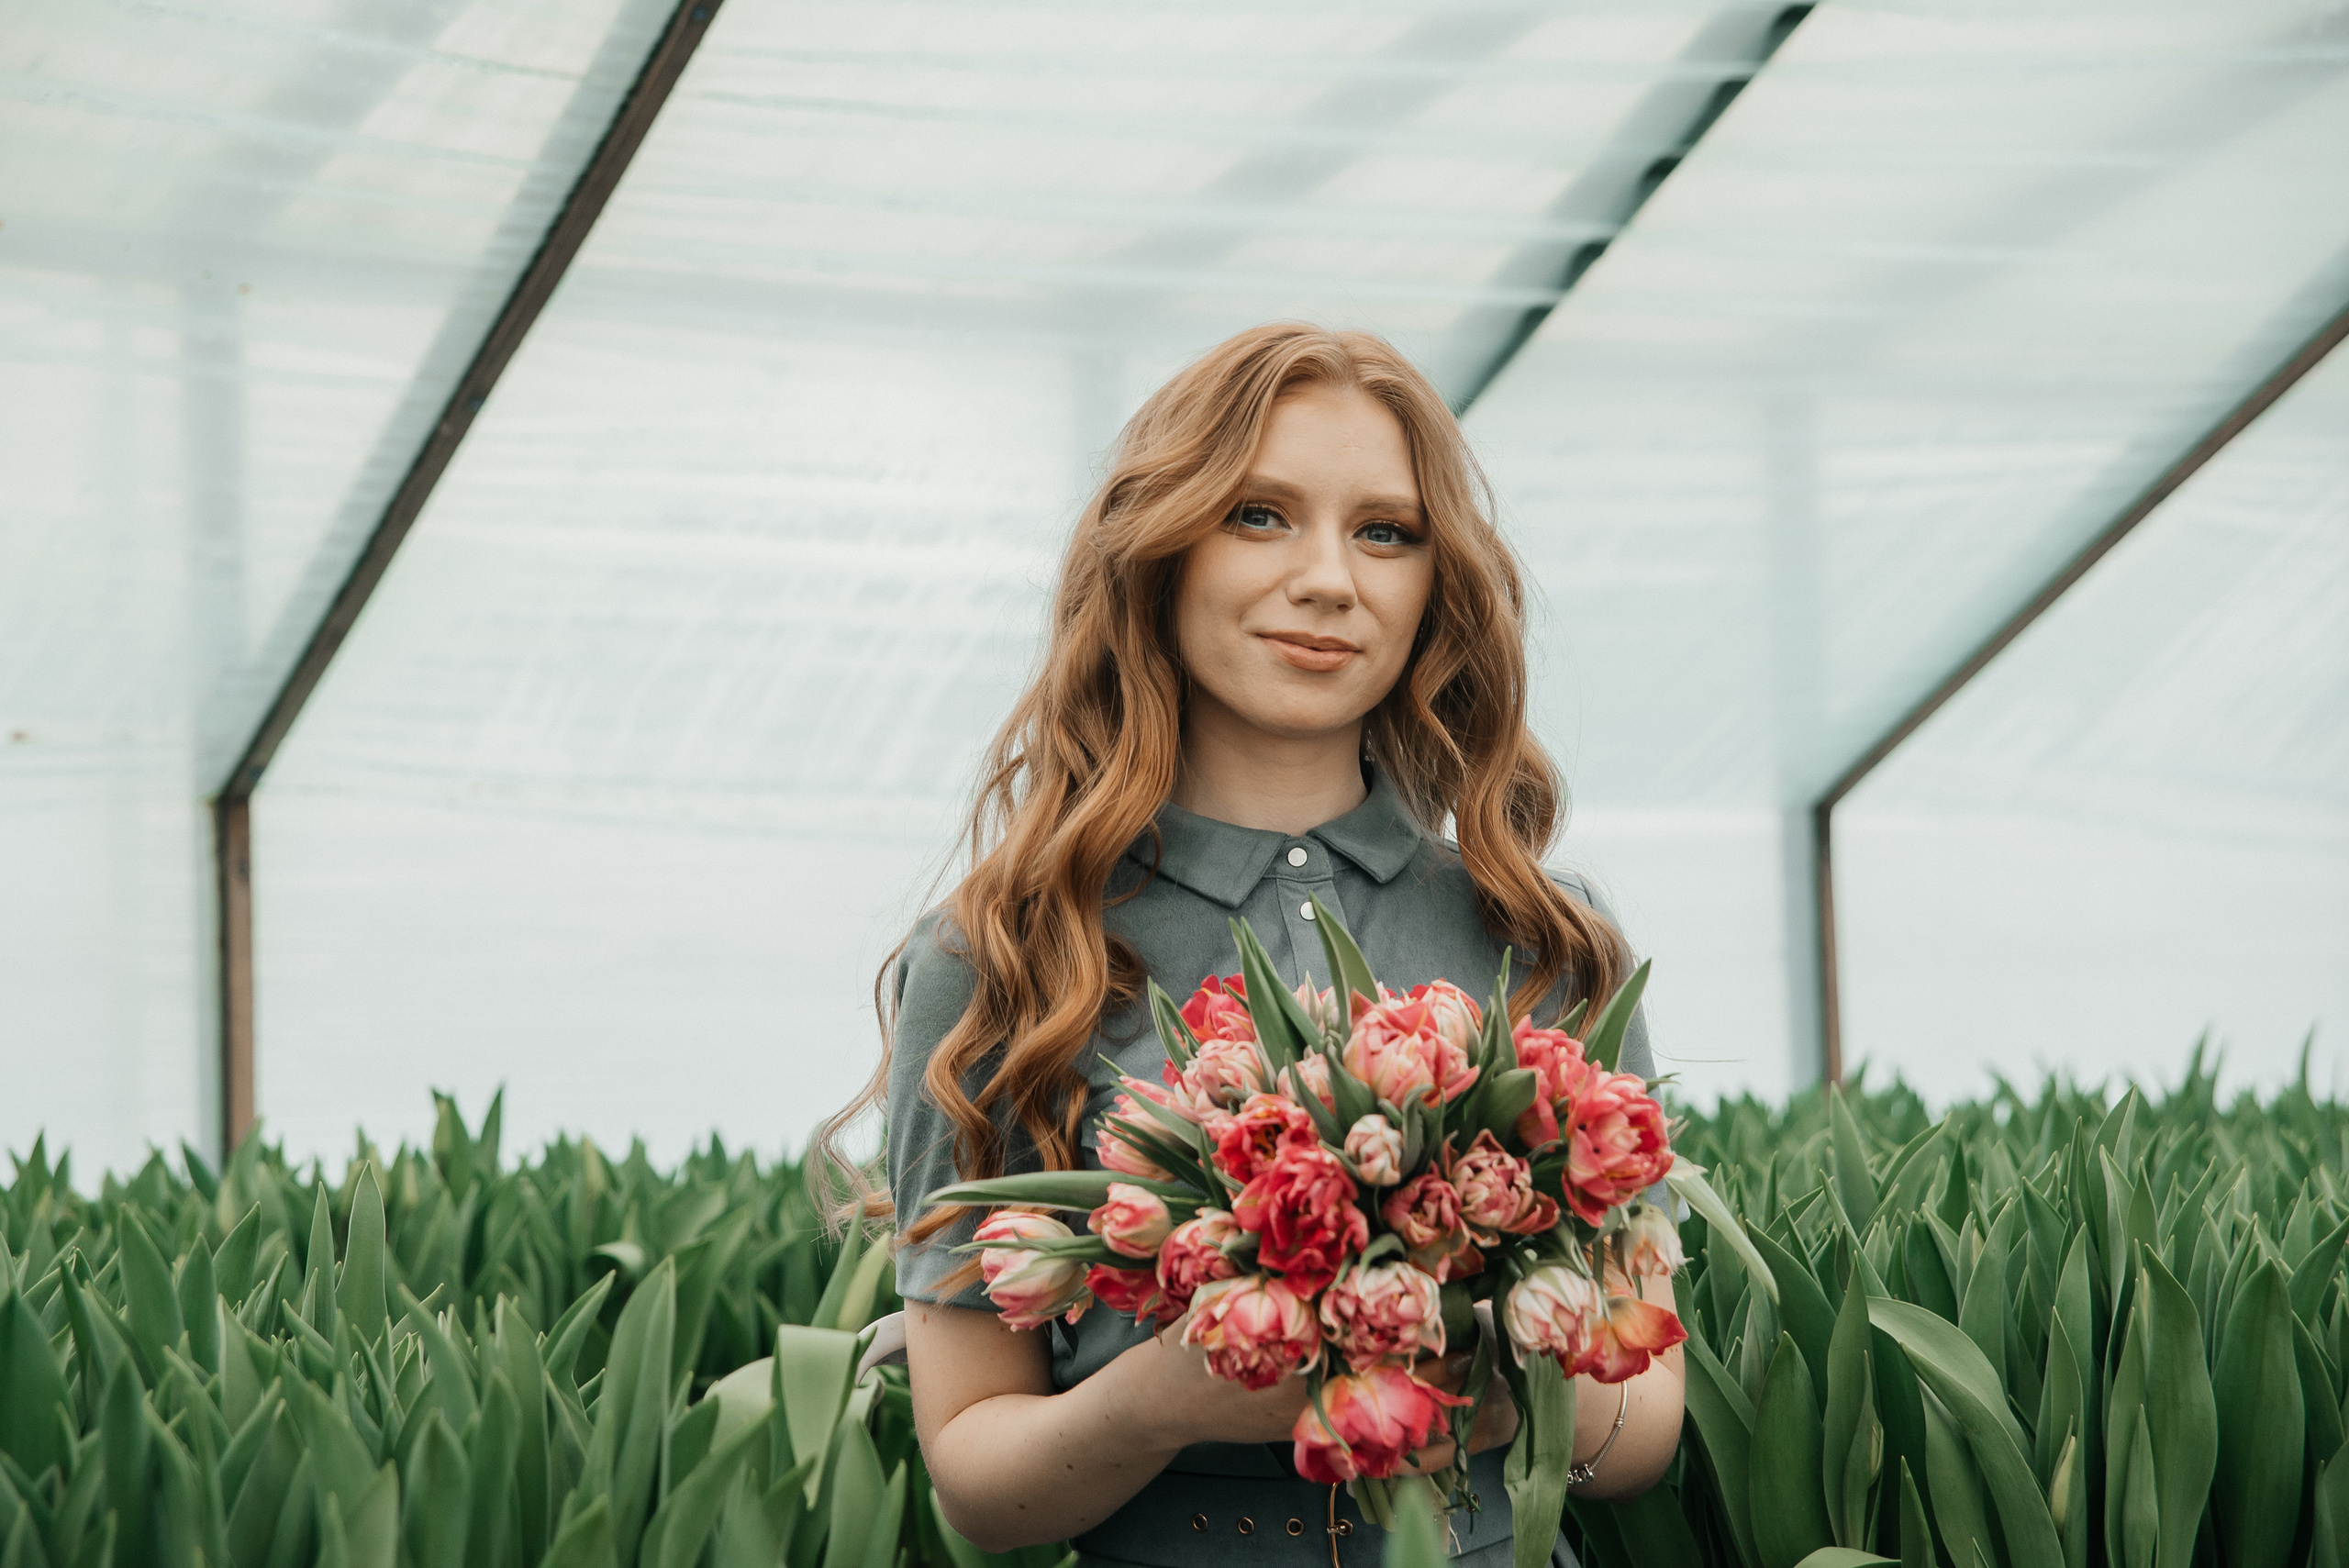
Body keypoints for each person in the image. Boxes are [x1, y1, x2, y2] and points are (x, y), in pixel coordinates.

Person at [820, 324, 1685, 1568]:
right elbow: (976, 1478)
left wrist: (1507, 1383)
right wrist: (1164, 1399)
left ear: (1433, 585)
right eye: (1260, 516)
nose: (1329, 578)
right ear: (1159, 552)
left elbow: (1644, 1423)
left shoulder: (1541, 937)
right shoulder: (1011, 953)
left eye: (1385, 531)